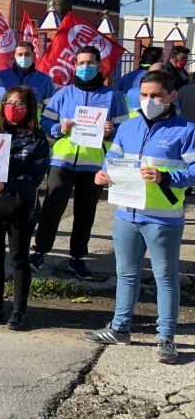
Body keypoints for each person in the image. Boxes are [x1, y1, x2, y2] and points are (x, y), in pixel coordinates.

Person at [83, 70, 195, 365]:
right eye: (144, 95)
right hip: (125, 214)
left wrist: (166, 177)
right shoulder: (129, 128)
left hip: (162, 219)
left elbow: (194, 171)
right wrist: (103, 173)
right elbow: (112, 158)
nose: (149, 101)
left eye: (156, 95)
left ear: (172, 96)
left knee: (166, 279)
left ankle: (166, 338)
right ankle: (120, 328)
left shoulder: (186, 130)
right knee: (126, 274)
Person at [30, 45, 128, 280]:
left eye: (90, 63)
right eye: (81, 63)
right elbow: (45, 121)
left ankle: (77, 258)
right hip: (62, 161)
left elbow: (125, 129)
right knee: (53, 207)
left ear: (98, 65)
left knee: (86, 212)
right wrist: (58, 128)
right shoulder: (63, 94)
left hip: (94, 164)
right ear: (75, 66)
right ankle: (39, 252)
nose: (85, 67)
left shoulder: (112, 96)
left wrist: (111, 130)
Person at [0, 87, 51, 330]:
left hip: (20, 207)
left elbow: (35, 177)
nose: (12, 107)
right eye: (8, 102)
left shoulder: (38, 140)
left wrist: (7, 184)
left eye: (18, 104)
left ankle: (19, 310)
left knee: (19, 259)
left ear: (29, 107)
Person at [0, 40, 56, 120]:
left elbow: (51, 108)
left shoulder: (44, 80)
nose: (23, 57)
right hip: (2, 127)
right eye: (20, 54)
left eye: (27, 54)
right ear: (14, 55)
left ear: (33, 55)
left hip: (32, 128)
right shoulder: (1, 77)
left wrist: (47, 127)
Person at [117, 46, 164, 113]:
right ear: (158, 61)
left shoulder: (126, 77)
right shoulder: (157, 78)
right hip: (149, 116)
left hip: (126, 116)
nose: (163, 62)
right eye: (162, 60)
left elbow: (118, 97)